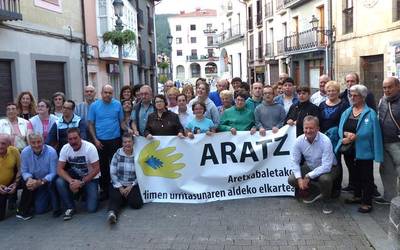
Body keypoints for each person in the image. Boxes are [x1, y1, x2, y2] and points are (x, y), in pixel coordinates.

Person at [336, 84, 383, 213]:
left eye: (355, 95)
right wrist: (345, 135)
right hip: (349, 150)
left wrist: (356, 136)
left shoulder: (370, 113)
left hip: (364, 150)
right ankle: (357, 196)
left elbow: (374, 133)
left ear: (363, 97)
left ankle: (367, 202)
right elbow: (340, 128)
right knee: (354, 174)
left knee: (366, 177)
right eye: (351, 95)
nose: (352, 97)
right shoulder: (347, 111)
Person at [288, 116, 338, 214]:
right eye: (306, 128)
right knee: (292, 179)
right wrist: (299, 179)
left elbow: (326, 166)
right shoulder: (299, 140)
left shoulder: (325, 141)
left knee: (325, 179)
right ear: (303, 128)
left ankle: (327, 201)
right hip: (311, 167)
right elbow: (294, 161)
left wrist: (307, 176)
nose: (308, 131)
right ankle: (315, 191)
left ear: (318, 129)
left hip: (331, 168)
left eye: (311, 128)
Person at [88, 85, 123, 200]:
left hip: (115, 140)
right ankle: (104, 190)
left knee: (115, 166)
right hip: (100, 141)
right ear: (101, 93)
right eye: (105, 92)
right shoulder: (94, 106)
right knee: (102, 167)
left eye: (110, 93)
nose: (107, 95)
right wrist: (95, 140)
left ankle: (117, 187)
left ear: (112, 93)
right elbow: (90, 124)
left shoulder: (117, 104)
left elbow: (121, 122)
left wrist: (129, 130)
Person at [56, 128, 100, 221]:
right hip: (75, 175)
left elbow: (96, 169)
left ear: (81, 137)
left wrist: (81, 182)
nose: (73, 141)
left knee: (91, 209)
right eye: (70, 139)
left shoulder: (90, 148)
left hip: (91, 177)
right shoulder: (65, 148)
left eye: (75, 138)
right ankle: (70, 207)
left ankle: (83, 192)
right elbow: (59, 169)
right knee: (59, 181)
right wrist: (71, 181)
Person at [16, 133, 60, 220]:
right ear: (29, 143)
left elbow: (53, 172)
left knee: (40, 210)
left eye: (39, 142)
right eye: (33, 142)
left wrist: (41, 182)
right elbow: (24, 171)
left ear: (43, 141)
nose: (36, 145)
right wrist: (29, 179)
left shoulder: (51, 152)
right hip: (33, 181)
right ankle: (27, 205)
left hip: (47, 182)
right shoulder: (25, 152)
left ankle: (53, 200)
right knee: (25, 182)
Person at [318, 81, 349, 197]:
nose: (331, 93)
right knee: (324, 161)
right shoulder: (322, 105)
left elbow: (344, 122)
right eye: (329, 91)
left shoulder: (344, 105)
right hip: (323, 137)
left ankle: (336, 187)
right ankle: (325, 185)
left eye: (334, 90)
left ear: (338, 91)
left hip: (336, 138)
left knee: (336, 162)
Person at [107, 134, 143, 224]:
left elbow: (141, 173)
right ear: (122, 143)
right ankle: (112, 214)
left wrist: (131, 185)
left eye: (129, 141)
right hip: (118, 183)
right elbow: (112, 172)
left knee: (136, 204)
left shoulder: (138, 155)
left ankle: (123, 198)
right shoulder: (117, 154)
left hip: (131, 184)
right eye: (125, 142)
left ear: (133, 142)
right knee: (115, 198)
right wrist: (120, 187)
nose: (127, 144)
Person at [377, 77, 400, 204]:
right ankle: (389, 197)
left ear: (398, 86)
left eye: (389, 87)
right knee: (386, 170)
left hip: (397, 143)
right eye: (384, 87)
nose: (386, 90)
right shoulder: (382, 100)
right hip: (384, 142)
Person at [0, 134, 20, 221]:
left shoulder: (14, 151)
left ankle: (24, 208)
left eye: (3, 143)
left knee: (26, 180)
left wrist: (16, 183)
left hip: (11, 182)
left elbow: (21, 169)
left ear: (9, 144)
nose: (0, 146)